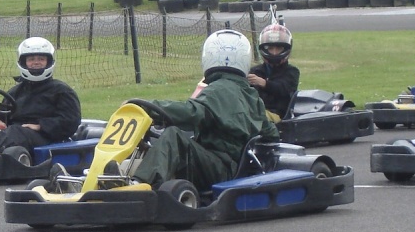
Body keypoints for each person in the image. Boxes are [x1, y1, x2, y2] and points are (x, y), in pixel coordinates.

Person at [127, 29, 280, 192]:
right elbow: (271, 134)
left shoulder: (218, 89)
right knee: (165, 137)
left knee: (174, 135)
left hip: (218, 170)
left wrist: (147, 108)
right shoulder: (252, 96)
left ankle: (139, 184)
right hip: (233, 167)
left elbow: (192, 112)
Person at [0, 37, 81, 156]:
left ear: (48, 62)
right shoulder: (15, 92)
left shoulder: (61, 91)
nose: (36, 62)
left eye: (41, 59)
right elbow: (2, 112)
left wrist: (40, 126)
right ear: (24, 62)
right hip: (13, 137)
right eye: (31, 59)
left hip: (46, 137)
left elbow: (70, 121)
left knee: (15, 132)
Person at [247, 23, 299, 122]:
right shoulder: (255, 71)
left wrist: (264, 84)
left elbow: (284, 89)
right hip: (254, 112)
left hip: (278, 116)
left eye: (278, 48)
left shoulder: (292, 72)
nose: (274, 53)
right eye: (270, 48)